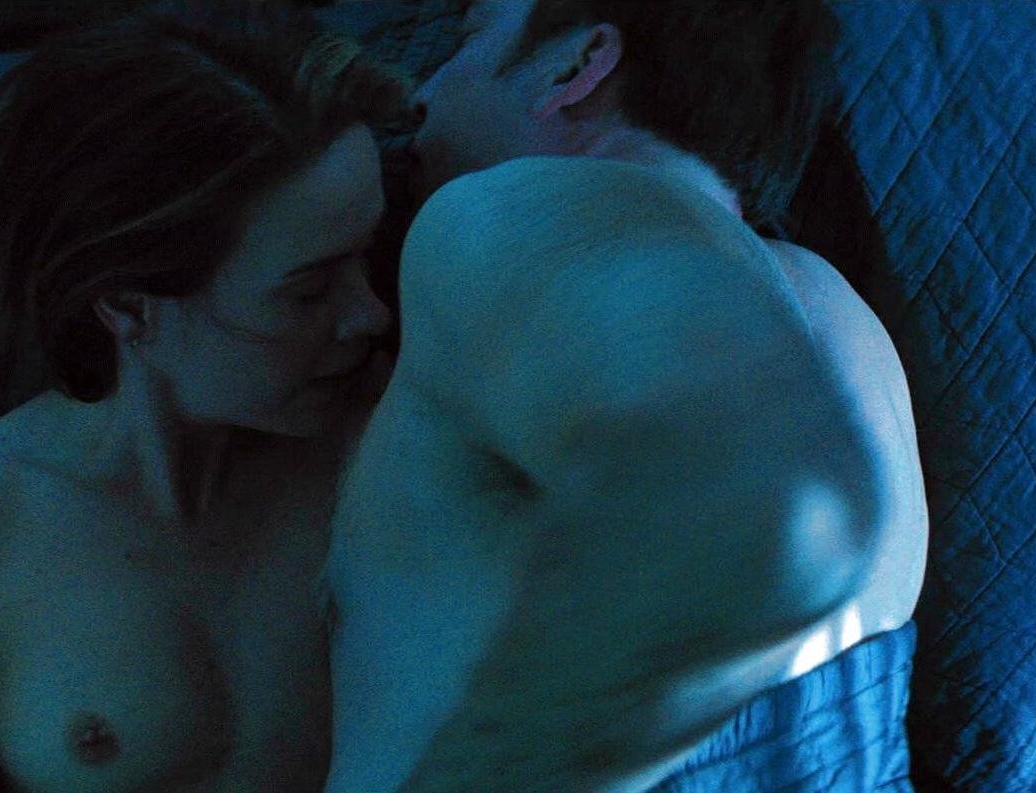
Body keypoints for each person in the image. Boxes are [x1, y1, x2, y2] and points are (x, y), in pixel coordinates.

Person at [322, 1, 929, 790]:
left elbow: (772, 501)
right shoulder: (848, 324)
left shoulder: (508, 218)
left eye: (468, 42)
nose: (424, 94)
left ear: (574, 67)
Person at [0, 2, 406, 790]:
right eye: (308, 291)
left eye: (366, 255)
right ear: (129, 306)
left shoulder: (388, 455)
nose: (370, 314)